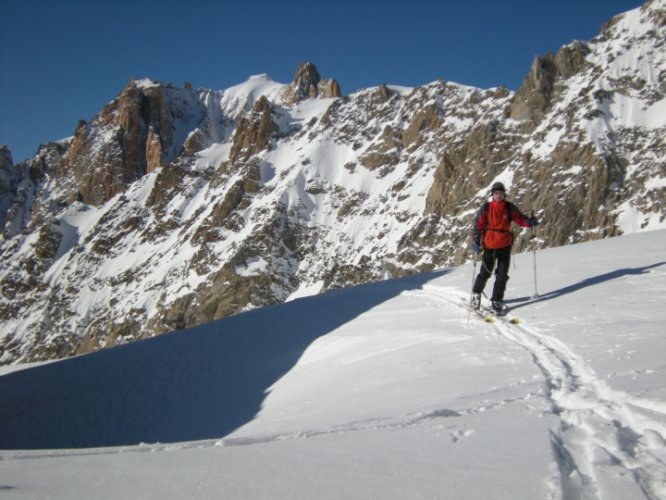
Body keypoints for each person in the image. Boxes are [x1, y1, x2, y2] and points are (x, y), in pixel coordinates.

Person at [471, 182, 538, 313]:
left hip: (504, 246)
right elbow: (478, 225)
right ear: (492, 195)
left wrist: (529, 222)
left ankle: (496, 300)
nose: (498, 196)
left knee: (502, 275)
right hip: (489, 245)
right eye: (496, 193)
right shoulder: (486, 208)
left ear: (504, 194)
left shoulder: (509, 207)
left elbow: (520, 219)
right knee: (485, 272)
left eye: (500, 193)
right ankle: (476, 292)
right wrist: (476, 240)